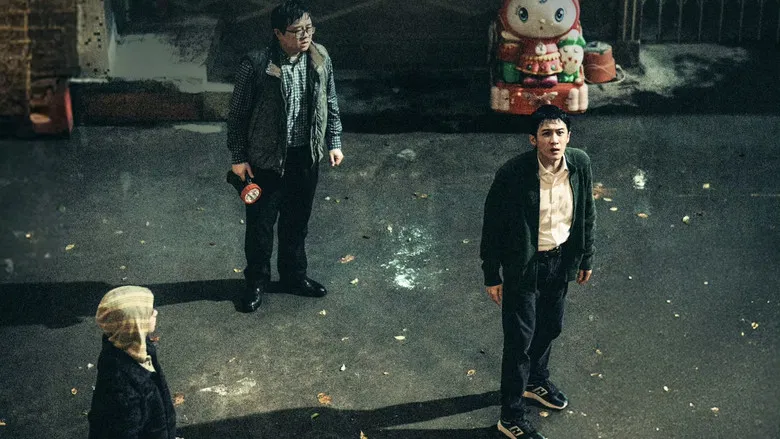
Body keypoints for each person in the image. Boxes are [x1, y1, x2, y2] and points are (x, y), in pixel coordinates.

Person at [480, 105, 595, 438]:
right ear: (533, 140)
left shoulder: (580, 164)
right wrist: (492, 274)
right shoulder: (513, 174)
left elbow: (587, 212)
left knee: (552, 326)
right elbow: (493, 226)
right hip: (524, 267)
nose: (554, 140)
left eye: (560, 133)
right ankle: (511, 416)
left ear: (569, 136)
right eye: (546, 134)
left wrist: (586, 257)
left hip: (560, 261)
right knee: (519, 342)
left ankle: (536, 380)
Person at [227, 0, 344, 313]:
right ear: (278, 33)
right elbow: (237, 115)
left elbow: (330, 101)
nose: (305, 36)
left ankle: (294, 276)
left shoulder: (320, 57)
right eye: (296, 31)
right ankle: (256, 282)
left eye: (309, 28)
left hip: (305, 157)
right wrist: (238, 157)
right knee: (261, 226)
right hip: (266, 160)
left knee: (297, 222)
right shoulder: (255, 65)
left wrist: (333, 141)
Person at [88, 286, 177, 439]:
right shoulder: (122, 388)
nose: (156, 312)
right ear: (134, 324)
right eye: (149, 312)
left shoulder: (135, 346)